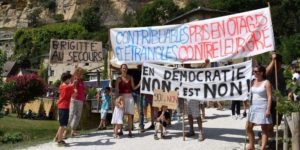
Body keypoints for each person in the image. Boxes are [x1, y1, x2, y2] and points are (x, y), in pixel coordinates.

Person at [246, 65, 272, 150]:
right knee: (248, 127)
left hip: (263, 106)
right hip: (253, 106)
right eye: (254, 71)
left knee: (264, 128)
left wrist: (268, 109)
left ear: (262, 72)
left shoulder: (266, 82)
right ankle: (252, 145)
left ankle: (262, 147)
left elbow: (269, 97)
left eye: (256, 71)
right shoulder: (253, 81)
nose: (254, 73)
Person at [183, 59, 209, 142]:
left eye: (185, 63)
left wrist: (206, 63)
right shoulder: (181, 72)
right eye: (183, 64)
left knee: (197, 115)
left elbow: (201, 68)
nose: (184, 65)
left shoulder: (193, 70)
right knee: (189, 115)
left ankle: (200, 132)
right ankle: (191, 130)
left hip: (194, 97)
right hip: (186, 97)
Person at [115, 64, 139, 137]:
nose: (124, 69)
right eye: (123, 68)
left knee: (129, 115)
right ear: (121, 69)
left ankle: (130, 132)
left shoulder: (130, 77)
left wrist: (140, 83)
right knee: (121, 115)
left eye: (125, 68)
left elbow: (133, 88)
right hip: (121, 97)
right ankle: (121, 130)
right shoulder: (118, 78)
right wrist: (117, 100)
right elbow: (116, 90)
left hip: (129, 97)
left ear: (127, 69)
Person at [266, 53, 286, 137]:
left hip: (281, 99)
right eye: (275, 61)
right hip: (271, 99)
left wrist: (289, 93)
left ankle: (270, 133)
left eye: (278, 62)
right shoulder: (270, 71)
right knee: (269, 121)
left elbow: (288, 84)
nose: (276, 63)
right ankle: (268, 135)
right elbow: (266, 72)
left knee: (276, 121)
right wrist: (273, 60)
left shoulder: (283, 71)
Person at [54, 72, 74, 147]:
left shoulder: (66, 86)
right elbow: (71, 86)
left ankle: (59, 139)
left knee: (63, 125)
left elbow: (73, 92)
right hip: (63, 107)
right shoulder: (64, 86)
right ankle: (59, 141)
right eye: (69, 79)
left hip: (65, 107)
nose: (70, 80)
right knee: (62, 125)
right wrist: (74, 83)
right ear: (67, 79)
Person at [66, 67, 86, 137]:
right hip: (74, 99)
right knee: (71, 115)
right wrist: (75, 90)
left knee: (78, 116)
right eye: (81, 73)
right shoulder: (75, 80)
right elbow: (72, 87)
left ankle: (73, 131)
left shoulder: (81, 81)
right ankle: (64, 132)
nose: (83, 74)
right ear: (78, 73)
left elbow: (83, 90)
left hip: (81, 100)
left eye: (83, 73)